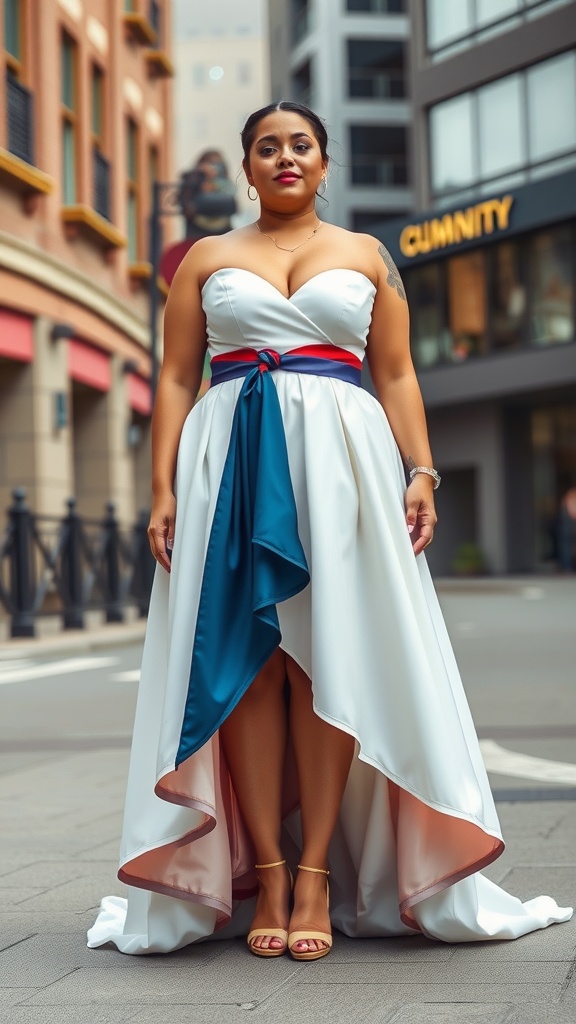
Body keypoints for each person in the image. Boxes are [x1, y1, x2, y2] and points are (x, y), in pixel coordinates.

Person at [88, 102, 572, 958]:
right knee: (247, 666)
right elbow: (171, 378)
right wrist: (160, 488)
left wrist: (420, 470)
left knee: (333, 660)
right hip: (227, 467)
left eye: (299, 145)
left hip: (345, 470)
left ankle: (315, 875)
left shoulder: (366, 256)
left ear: (323, 161)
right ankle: (266, 872)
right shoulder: (206, 258)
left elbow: (396, 373)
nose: (284, 157)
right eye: (266, 146)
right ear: (246, 167)